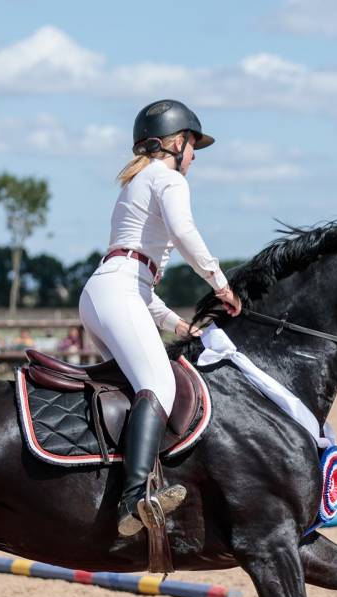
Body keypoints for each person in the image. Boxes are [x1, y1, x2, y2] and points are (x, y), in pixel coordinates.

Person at [79, 99, 242, 538]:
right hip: (118, 291)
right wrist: (219, 282)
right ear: (177, 142)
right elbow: (184, 233)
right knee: (160, 384)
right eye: (193, 147)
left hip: (107, 290)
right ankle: (134, 498)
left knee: (133, 386)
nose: (193, 158)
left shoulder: (136, 183)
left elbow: (136, 280)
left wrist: (177, 326)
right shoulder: (168, 178)